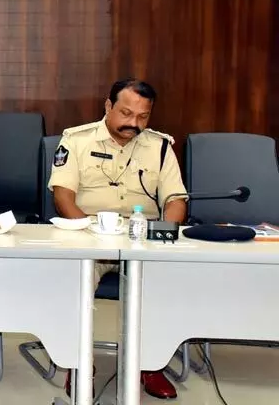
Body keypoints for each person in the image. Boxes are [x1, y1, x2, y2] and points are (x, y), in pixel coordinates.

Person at [50, 78, 187, 400]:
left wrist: (162, 234)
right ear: (108, 106)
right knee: (76, 281)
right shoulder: (76, 140)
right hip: (89, 236)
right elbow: (63, 196)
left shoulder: (160, 147)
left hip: (143, 239)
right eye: (126, 113)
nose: (133, 123)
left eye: (143, 117)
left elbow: (176, 200)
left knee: (163, 282)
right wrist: (87, 233)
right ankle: (80, 364)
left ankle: (150, 364)